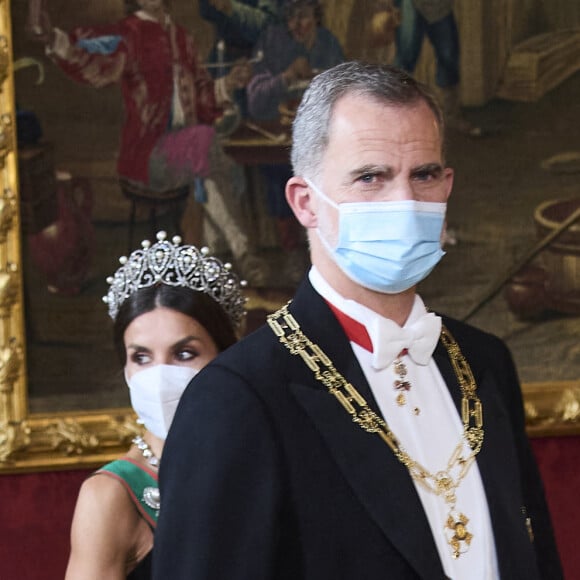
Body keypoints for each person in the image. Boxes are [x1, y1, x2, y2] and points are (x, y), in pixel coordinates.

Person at [153, 62, 563, 578]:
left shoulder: (487, 363)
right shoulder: (235, 398)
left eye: (424, 174)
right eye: (371, 177)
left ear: (447, 183)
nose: (406, 202)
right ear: (305, 203)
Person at [33, 0, 267, 285]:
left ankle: (219, 257)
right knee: (207, 145)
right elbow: (94, 61)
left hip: (188, 152)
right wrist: (54, 39)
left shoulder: (182, 37)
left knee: (216, 158)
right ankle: (239, 255)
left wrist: (229, 82)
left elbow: (204, 99)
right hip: (147, 157)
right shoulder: (130, 34)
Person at [64, 231, 247, 579]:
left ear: (225, 357)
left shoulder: (258, 465)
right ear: (126, 369)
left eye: (184, 354)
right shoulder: (110, 496)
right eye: (142, 357)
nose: (160, 375)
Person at [246, 0, 344, 284]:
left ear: (316, 14)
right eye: (290, 18)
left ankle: (332, 247)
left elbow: (348, 95)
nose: (296, 25)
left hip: (325, 139)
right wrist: (286, 77)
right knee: (279, 174)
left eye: (302, 16)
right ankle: (292, 251)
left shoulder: (328, 45)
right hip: (282, 138)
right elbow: (255, 99)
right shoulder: (272, 42)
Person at [393, 0, 482, 137]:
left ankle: (451, 114)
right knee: (405, 58)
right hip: (409, 4)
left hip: (439, 4)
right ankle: (395, 119)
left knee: (449, 55)